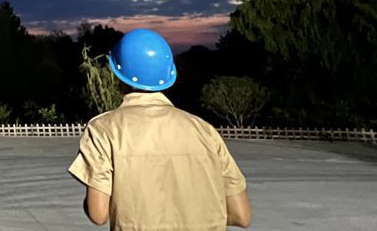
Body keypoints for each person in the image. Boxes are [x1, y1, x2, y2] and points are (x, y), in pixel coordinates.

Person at [68, 28, 251, 229]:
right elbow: (241, 216)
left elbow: (98, 214)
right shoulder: (204, 130)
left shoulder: (103, 130)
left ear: (118, 76)